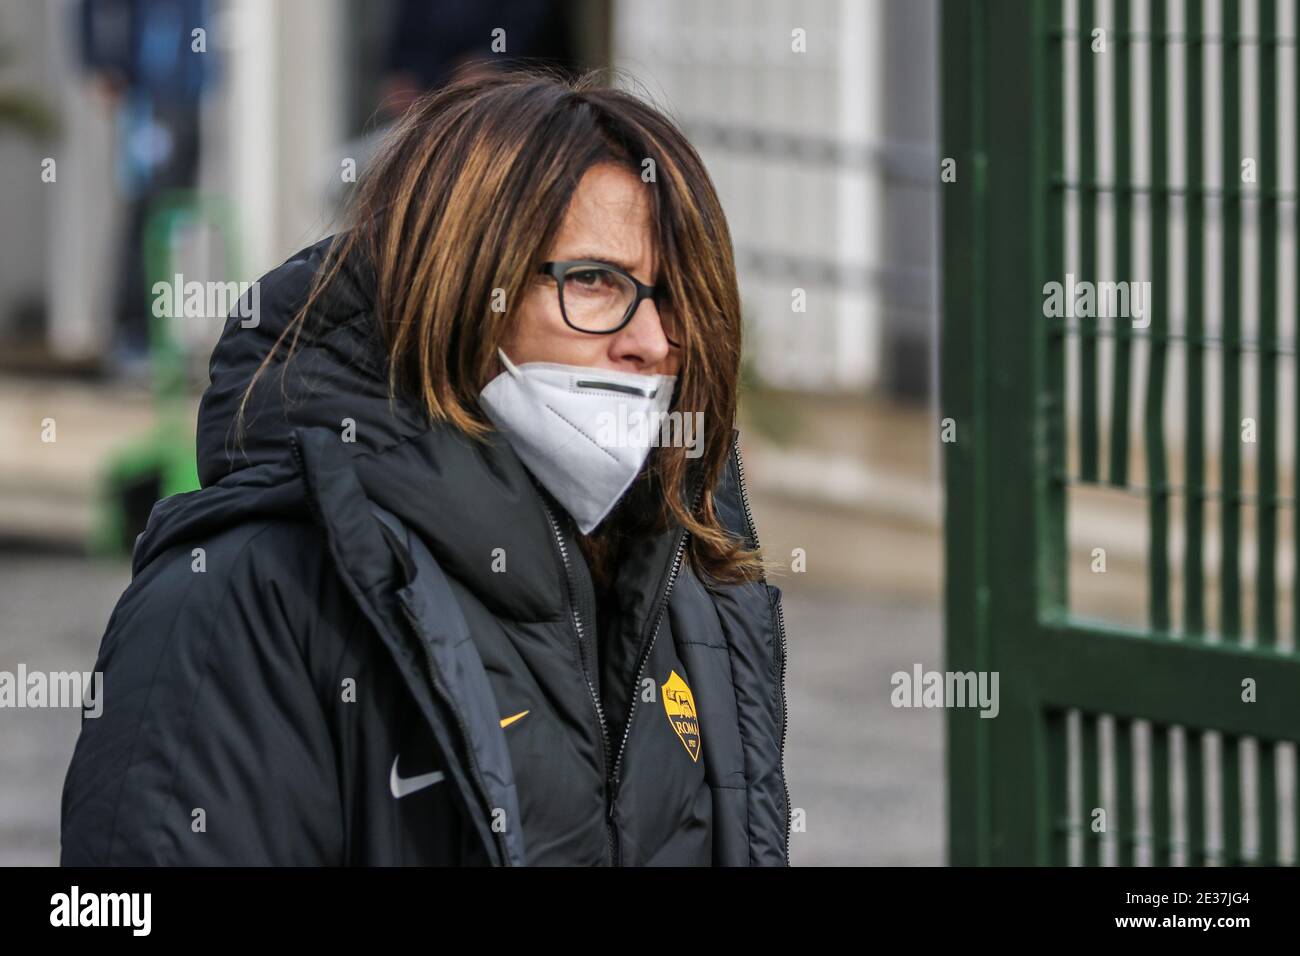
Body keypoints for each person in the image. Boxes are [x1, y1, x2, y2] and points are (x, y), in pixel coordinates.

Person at [60, 71, 790, 866]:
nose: (650, 341)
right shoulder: (245, 599)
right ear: (462, 283)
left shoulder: (693, 590)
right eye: (592, 281)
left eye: (675, 297)